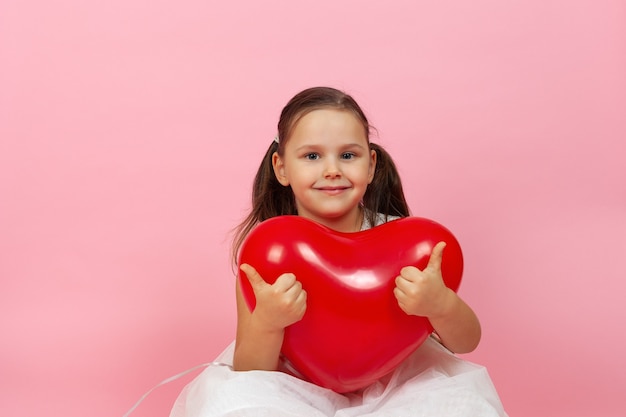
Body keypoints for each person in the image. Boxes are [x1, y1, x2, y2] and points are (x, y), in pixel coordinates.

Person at [170, 87, 508, 416]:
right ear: (281, 167)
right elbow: (250, 370)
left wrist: (441, 305)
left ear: (371, 164)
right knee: (230, 407)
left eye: (348, 155)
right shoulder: (269, 255)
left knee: (464, 407)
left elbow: (466, 342)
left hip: (399, 383)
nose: (332, 170)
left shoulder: (408, 245)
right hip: (295, 389)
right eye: (312, 156)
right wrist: (269, 323)